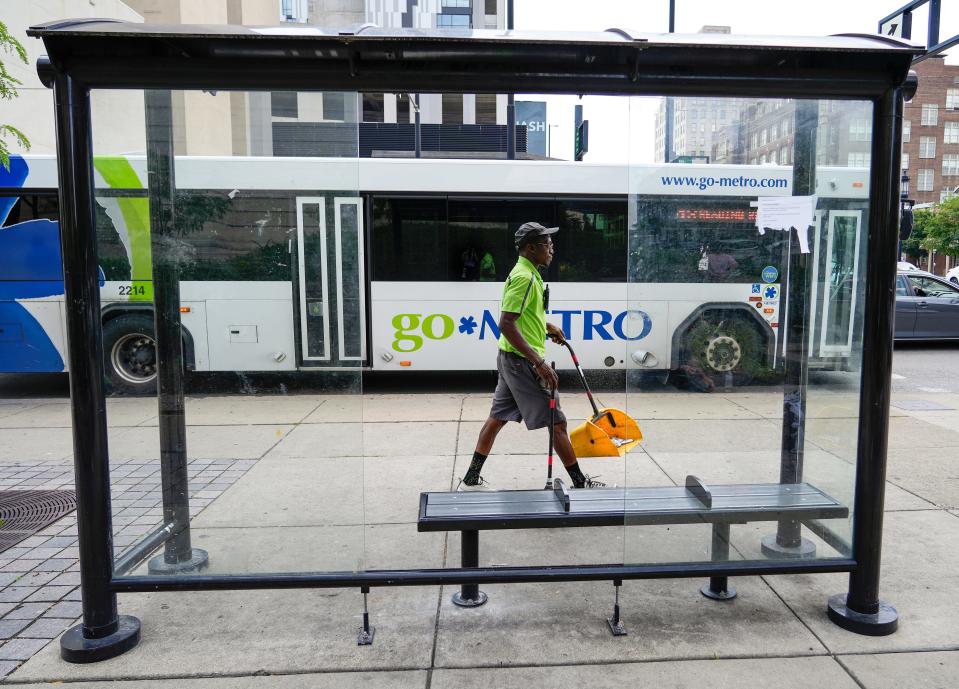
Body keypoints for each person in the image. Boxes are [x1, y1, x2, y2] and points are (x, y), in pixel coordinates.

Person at [457, 221, 605, 491]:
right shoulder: (525, 278)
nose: (552, 248)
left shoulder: (529, 273)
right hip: (522, 363)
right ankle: (580, 483)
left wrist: (547, 327)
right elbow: (506, 323)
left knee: (498, 417)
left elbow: (521, 317)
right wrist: (539, 363)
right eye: (546, 244)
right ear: (530, 248)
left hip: (510, 358)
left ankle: (471, 476)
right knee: (557, 422)